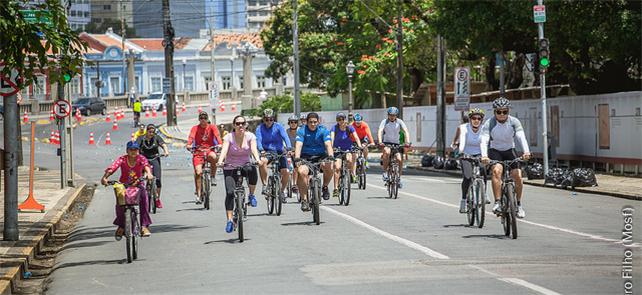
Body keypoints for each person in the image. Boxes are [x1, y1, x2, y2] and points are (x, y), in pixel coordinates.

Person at [481, 97, 531, 218]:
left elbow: (521, 137)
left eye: (505, 112)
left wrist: (526, 152)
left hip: (510, 150)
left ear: (508, 111)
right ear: (494, 112)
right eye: (499, 112)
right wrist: (484, 156)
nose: (502, 114)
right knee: (497, 171)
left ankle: (518, 205)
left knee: (518, 175)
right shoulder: (489, 123)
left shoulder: (514, 122)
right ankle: (498, 202)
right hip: (495, 151)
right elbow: (484, 140)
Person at [216, 115, 260, 233]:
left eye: (242, 123)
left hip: (245, 164)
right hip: (230, 167)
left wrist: (257, 159)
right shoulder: (229, 137)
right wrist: (220, 161)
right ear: (234, 125)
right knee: (230, 193)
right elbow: (224, 150)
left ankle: (251, 195)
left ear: (246, 125)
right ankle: (229, 220)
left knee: (252, 169)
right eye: (237, 123)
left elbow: (254, 149)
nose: (240, 126)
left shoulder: (250, 136)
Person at [101, 141, 153, 237]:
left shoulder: (141, 158)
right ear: (127, 151)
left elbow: (146, 166)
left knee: (144, 200)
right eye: (131, 150)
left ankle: (144, 226)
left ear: (138, 151)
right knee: (120, 202)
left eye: (135, 150)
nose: (133, 152)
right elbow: (113, 168)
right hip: (124, 185)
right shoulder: (122, 159)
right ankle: (121, 226)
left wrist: (149, 174)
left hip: (138, 184)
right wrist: (105, 177)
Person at [294, 112, 334, 211]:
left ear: (318, 122)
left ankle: (325, 187)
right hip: (306, 157)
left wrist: (331, 156)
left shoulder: (323, 130)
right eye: (310, 122)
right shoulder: (302, 130)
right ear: (306, 122)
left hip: (320, 156)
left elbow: (328, 144)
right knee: (301, 172)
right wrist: (297, 158)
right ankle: (304, 200)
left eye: (315, 122)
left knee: (329, 166)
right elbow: (298, 144)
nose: (313, 124)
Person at [256, 109, 292, 203]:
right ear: (263, 119)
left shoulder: (278, 126)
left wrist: (288, 148)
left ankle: (282, 191)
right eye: (266, 119)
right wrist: (261, 150)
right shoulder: (259, 128)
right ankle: (265, 184)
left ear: (274, 119)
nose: (269, 122)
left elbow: (285, 137)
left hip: (279, 151)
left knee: (286, 172)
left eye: (271, 119)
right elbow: (258, 140)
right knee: (262, 162)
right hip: (267, 151)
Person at [456, 108, 488, 213]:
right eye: (474, 118)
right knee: (467, 176)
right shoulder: (464, 127)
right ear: (470, 119)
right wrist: (461, 151)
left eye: (479, 118)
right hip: (466, 154)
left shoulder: (484, 129)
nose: (476, 120)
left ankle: (484, 194)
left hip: (479, 154)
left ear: (482, 120)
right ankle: (463, 200)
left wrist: (484, 156)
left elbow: (483, 143)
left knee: (483, 170)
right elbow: (463, 140)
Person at [186, 111, 223, 204]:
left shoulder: (212, 127)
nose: (203, 120)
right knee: (198, 173)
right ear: (199, 119)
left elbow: (217, 136)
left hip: (209, 150)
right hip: (198, 152)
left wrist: (220, 144)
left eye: (205, 118)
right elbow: (191, 137)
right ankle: (198, 195)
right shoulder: (195, 128)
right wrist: (189, 145)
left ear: (207, 119)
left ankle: (213, 176)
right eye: (201, 118)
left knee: (214, 157)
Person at [136, 124, 169, 209]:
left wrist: (166, 151)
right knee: (141, 178)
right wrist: (136, 155)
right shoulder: (141, 138)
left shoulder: (156, 138)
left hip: (154, 158)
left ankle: (157, 198)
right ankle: (142, 194)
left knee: (157, 179)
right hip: (144, 160)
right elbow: (136, 148)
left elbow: (163, 144)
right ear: (147, 131)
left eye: (153, 132)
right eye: (150, 132)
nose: (151, 134)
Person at [377, 107, 411, 187]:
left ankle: (399, 178)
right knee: (387, 152)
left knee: (399, 159)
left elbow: (406, 131)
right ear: (388, 115)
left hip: (397, 144)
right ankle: (385, 172)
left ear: (396, 116)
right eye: (390, 115)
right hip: (387, 143)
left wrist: (407, 142)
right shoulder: (384, 122)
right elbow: (380, 131)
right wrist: (380, 142)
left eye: (394, 115)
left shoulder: (399, 122)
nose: (392, 117)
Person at [331, 112, 361, 198]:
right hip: (337, 150)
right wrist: (332, 147)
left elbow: (356, 137)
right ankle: (336, 188)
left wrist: (359, 146)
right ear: (337, 120)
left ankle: (349, 173)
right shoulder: (334, 128)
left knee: (349, 159)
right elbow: (332, 137)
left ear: (345, 119)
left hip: (347, 149)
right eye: (339, 119)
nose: (341, 121)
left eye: (342, 119)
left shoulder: (350, 128)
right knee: (337, 167)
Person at [286, 115, 300, 194]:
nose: (293, 124)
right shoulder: (286, 131)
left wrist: (295, 151)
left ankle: (294, 184)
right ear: (289, 123)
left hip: (297, 151)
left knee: (296, 167)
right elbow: (283, 141)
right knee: (286, 168)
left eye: (295, 122)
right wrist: (286, 150)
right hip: (288, 152)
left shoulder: (300, 131)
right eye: (291, 122)